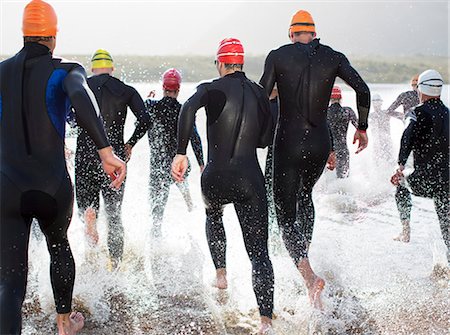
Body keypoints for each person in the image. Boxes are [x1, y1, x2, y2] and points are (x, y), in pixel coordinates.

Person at [0, 1, 126, 334]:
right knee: (59, 247)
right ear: (53, 36)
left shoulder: (0, 71)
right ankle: (63, 323)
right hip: (52, 186)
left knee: (10, 282)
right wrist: (105, 150)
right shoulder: (66, 70)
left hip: (8, 188)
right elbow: (82, 99)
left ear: (24, 34)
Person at [259, 9, 370, 308]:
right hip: (321, 143)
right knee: (304, 195)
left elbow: (261, 97)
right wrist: (362, 127)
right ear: (314, 33)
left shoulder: (278, 56)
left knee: (284, 216)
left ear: (291, 34)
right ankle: (304, 250)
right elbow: (362, 89)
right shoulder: (333, 56)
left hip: (288, 142)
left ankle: (308, 276)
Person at [172, 38, 274, 334]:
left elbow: (187, 110)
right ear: (240, 63)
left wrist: (181, 152)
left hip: (214, 177)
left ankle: (221, 275)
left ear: (220, 63)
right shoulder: (259, 93)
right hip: (249, 178)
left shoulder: (210, 88)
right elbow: (264, 141)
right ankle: (265, 321)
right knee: (259, 255)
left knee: (213, 216)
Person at [74, 49, 149, 269]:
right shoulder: (125, 90)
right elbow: (145, 120)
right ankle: (115, 265)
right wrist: (130, 143)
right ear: (112, 69)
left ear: (92, 69)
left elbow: (68, 118)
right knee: (115, 215)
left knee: (87, 206)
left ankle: (91, 255)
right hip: (114, 159)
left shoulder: (82, 87)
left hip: (86, 156)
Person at [390, 69, 448, 257]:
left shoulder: (415, 112)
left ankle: (405, 230)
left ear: (421, 90)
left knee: (400, 184)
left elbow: (407, 136)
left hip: (423, 181)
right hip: (447, 182)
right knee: (446, 227)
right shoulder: (448, 113)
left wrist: (400, 166)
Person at [145, 68, 204, 238]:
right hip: (177, 164)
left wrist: (147, 101)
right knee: (181, 178)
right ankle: (189, 204)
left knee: (157, 209)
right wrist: (201, 163)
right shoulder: (184, 110)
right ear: (178, 90)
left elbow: (140, 124)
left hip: (158, 164)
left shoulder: (152, 107)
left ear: (163, 88)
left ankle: (155, 238)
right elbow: (195, 138)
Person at [326, 85, 359, 178]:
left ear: (329, 98)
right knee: (343, 177)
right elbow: (359, 127)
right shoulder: (347, 111)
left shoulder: (324, 112)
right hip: (342, 149)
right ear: (341, 98)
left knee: (325, 180)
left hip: (327, 150)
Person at [369, 93, 396, 165]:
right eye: (375, 103)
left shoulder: (386, 113)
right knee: (377, 163)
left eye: (377, 102)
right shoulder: (370, 116)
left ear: (381, 103)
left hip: (386, 142)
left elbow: (401, 115)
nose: (376, 105)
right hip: (377, 144)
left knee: (389, 162)